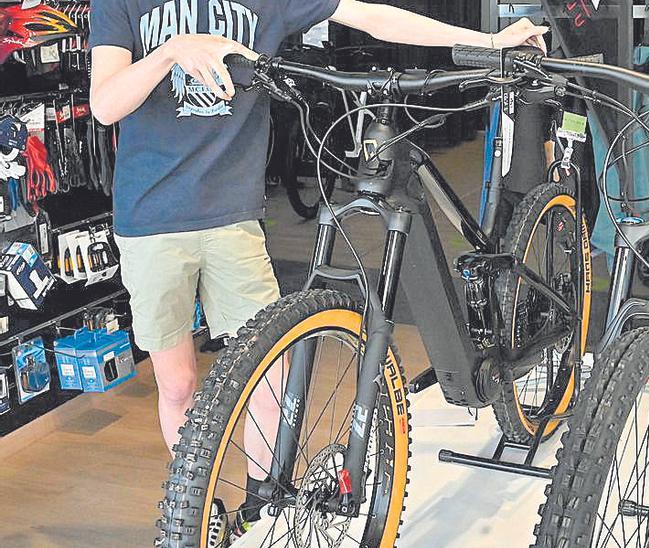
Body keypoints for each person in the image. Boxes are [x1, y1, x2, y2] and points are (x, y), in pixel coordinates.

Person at [88, 0, 546, 542]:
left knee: (266, 370)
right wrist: (172, 51)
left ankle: (263, 507)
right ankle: (199, 506)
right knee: (179, 382)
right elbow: (105, 103)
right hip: (152, 217)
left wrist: (489, 42)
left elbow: (370, 13)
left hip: (233, 215)